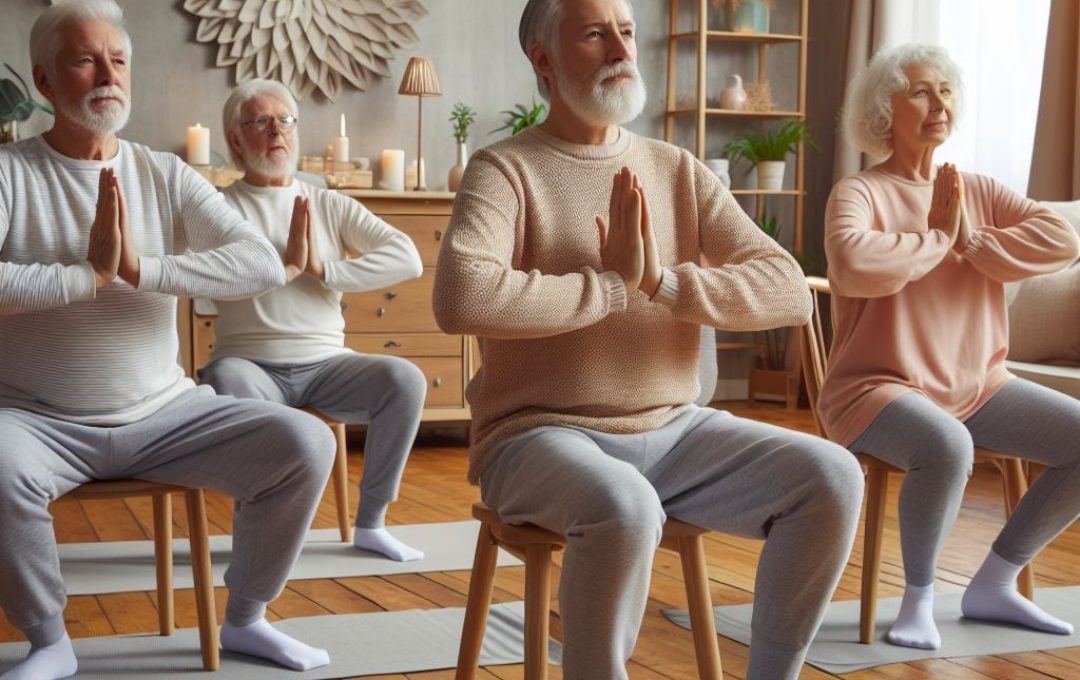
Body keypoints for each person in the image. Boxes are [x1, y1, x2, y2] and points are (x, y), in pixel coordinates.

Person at [432, 1, 865, 678]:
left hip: (676, 430)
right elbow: (462, 298)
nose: (620, 48)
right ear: (543, 60)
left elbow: (784, 288)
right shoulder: (504, 170)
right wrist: (607, 286)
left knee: (831, 476)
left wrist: (661, 281)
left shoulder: (677, 168)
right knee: (624, 506)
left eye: (627, 31)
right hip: (535, 436)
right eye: (595, 33)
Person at [0, 2, 339, 678]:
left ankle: (245, 619)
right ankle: (48, 640)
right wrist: (85, 277)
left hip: (167, 414)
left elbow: (259, 263)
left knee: (306, 443)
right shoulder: (11, 172)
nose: (108, 75)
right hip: (37, 419)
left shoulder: (164, 173)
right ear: (43, 79)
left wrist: (139, 270)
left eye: (118, 60)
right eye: (85, 59)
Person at [823, 43, 1080, 650]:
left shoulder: (978, 190)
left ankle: (995, 580)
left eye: (944, 91)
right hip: (877, 388)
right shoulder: (859, 192)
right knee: (946, 443)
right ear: (885, 109)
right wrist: (935, 237)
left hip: (979, 385)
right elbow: (854, 264)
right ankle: (916, 601)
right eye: (919, 91)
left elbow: (1063, 238)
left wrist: (972, 240)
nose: (938, 103)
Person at [199, 79, 427, 562]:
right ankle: (257, 529)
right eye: (261, 121)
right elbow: (204, 290)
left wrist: (325, 270)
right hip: (250, 365)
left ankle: (372, 523)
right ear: (236, 139)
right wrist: (282, 270)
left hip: (327, 366)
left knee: (403, 379)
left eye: (285, 120)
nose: (277, 131)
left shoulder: (326, 202)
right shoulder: (221, 208)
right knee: (224, 378)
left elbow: (407, 257)